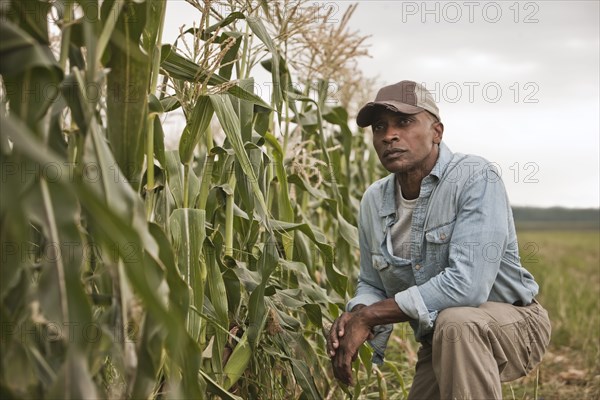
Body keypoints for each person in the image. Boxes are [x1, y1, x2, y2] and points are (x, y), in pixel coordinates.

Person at [326, 80, 551, 399]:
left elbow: (467, 286)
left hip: (512, 325)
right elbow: (371, 282)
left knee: (456, 321)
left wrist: (371, 315)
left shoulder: (474, 177)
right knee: (449, 327)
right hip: (440, 338)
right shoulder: (373, 201)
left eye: (404, 122)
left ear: (437, 132)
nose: (389, 135)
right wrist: (356, 312)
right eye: (379, 127)